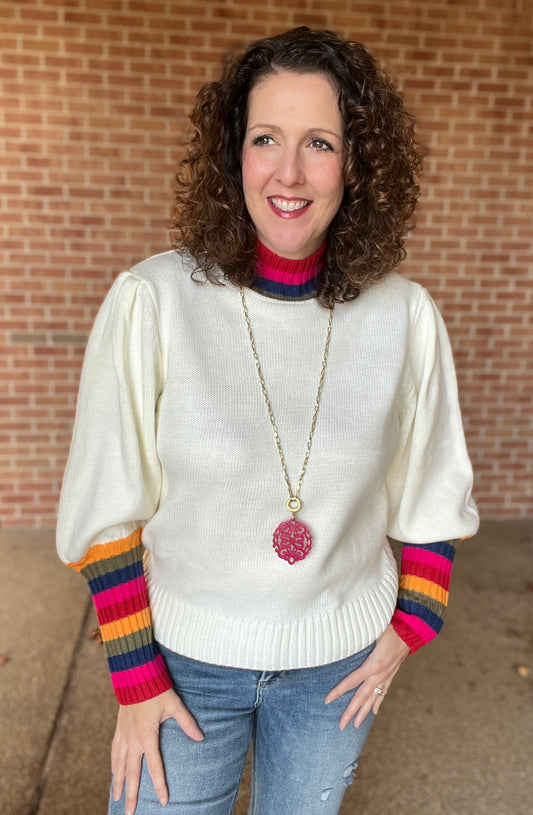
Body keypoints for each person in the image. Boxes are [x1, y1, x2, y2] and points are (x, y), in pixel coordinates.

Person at [57, 26, 479, 815]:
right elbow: (104, 504)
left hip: (336, 671)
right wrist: (136, 679)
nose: (288, 172)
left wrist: (408, 627)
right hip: (181, 667)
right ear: (233, 157)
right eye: (265, 139)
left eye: (319, 142)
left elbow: (431, 484)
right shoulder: (154, 300)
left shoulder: (404, 315)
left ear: (356, 165)